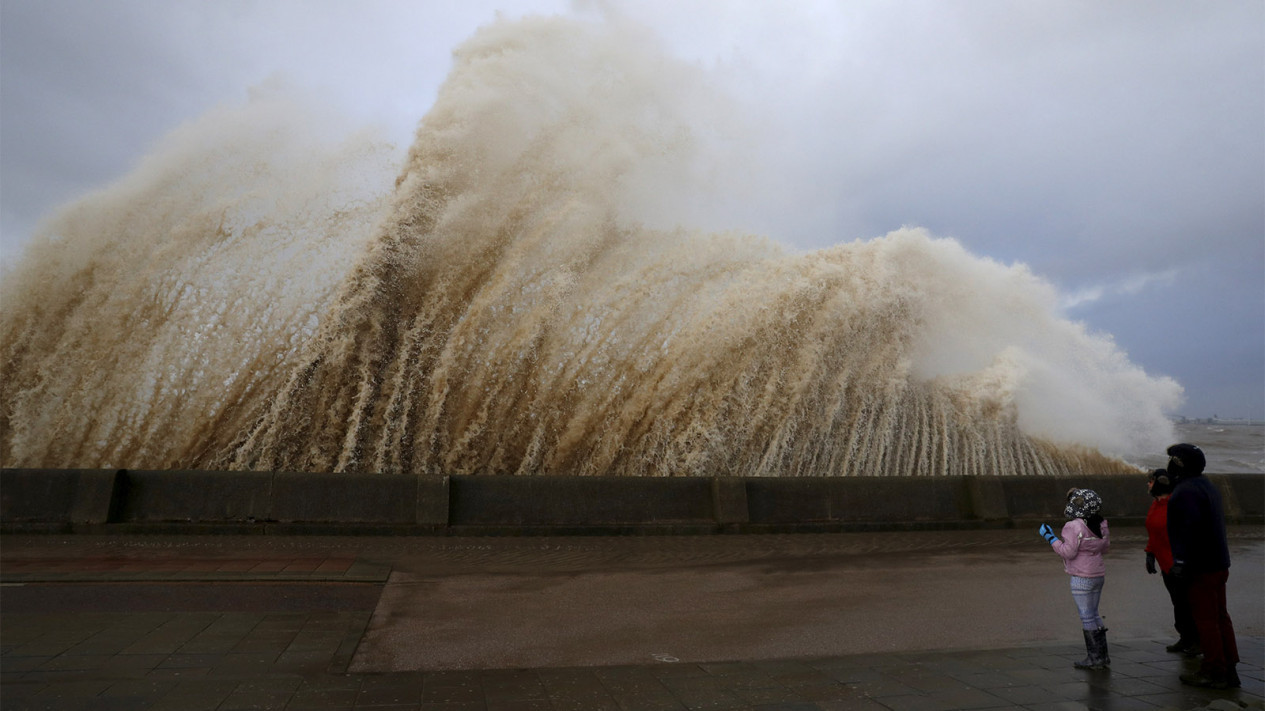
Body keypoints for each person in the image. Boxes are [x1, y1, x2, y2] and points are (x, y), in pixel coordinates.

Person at [1165, 443, 1240, 689]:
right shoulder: (1207, 485)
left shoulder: (1185, 491)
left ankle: (1214, 671)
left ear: (1179, 465)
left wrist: (1181, 564)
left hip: (1201, 567)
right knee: (1220, 617)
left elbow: (1189, 530)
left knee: (1206, 620)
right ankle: (1229, 667)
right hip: (1218, 563)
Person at [1039, 488, 1110, 670]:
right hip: (1098, 575)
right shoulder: (1101, 523)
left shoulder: (1073, 526)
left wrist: (1050, 538)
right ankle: (1103, 655)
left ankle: (1094, 658)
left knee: (1086, 617)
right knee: (1094, 614)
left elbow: (1068, 552)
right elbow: (1105, 547)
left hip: (1081, 577)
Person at [1143, 468, 1199, 655]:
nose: (1148, 484)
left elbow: (1186, 536)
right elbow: (1154, 532)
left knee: (1188, 603)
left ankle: (1197, 641)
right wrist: (1150, 554)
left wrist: (1181, 562)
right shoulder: (1156, 504)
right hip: (1166, 564)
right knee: (1178, 603)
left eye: (1151, 481)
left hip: (1180, 564)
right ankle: (1185, 638)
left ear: (1160, 483)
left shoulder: (1175, 505)